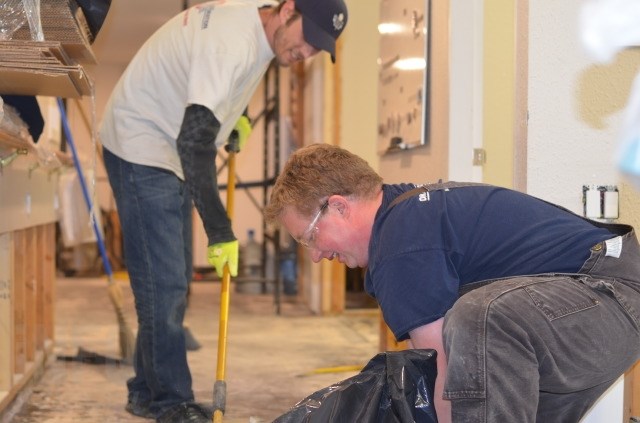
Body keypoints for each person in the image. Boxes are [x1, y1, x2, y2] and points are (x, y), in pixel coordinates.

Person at [264, 143, 640, 423]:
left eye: (310, 237)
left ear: (340, 206)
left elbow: (440, 376)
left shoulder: (402, 243)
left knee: (482, 318)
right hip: (587, 306)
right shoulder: (405, 218)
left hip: (612, 295)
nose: (315, 254)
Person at [98, 0, 348, 421]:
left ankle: (144, 388)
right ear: (288, 9)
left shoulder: (257, 24)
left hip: (164, 142)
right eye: (309, 37)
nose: (308, 52)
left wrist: (238, 115)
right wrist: (220, 232)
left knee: (171, 277)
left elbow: (220, 81)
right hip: (142, 144)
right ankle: (169, 402)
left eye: (318, 48)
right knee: (164, 284)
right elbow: (194, 144)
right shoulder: (231, 44)